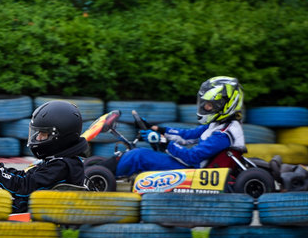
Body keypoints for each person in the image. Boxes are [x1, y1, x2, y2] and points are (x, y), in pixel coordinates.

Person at [102, 76, 246, 178]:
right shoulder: (218, 124)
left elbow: (192, 157)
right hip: (193, 167)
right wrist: (156, 129)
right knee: (136, 152)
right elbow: (187, 136)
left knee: (139, 156)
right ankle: (98, 170)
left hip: (195, 173)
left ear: (226, 105)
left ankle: (99, 176)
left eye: (210, 105)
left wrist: (164, 143)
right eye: (205, 103)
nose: (206, 107)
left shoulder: (224, 133)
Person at [0, 100, 88, 213]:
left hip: (32, 216)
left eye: (43, 134)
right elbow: (24, 176)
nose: (37, 138)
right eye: (37, 133)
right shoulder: (59, 161)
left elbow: (23, 187)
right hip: (30, 208)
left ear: (59, 137)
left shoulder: (62, 166)